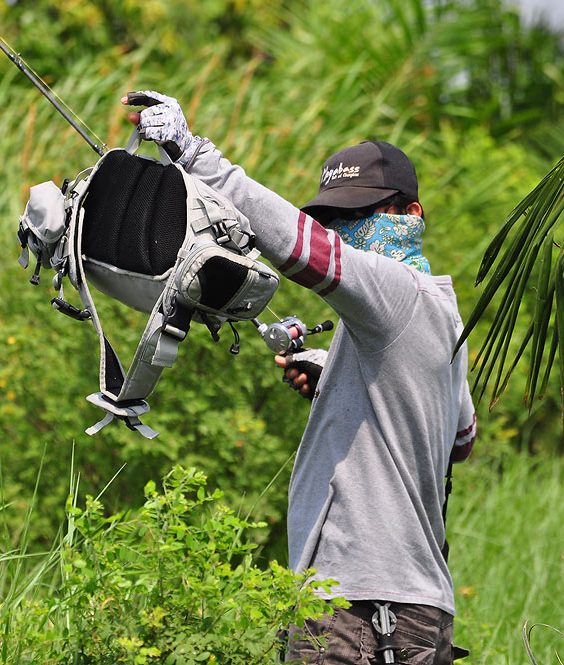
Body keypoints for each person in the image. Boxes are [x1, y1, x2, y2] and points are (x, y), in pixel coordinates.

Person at [124, 91, 477, 664]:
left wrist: (194, 156)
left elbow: (304, 247)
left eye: (363, 214)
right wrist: (338, 377)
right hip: (410, 610)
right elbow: (459, 440)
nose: (347, 228)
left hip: (363, 611)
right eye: (336, 217)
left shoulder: (390, 293)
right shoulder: (441, 312)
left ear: (413, 215)